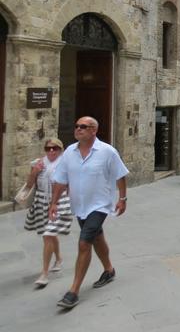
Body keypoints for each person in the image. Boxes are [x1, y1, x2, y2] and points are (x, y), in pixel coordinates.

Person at [49, 116, 129, 309]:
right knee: (96, 237)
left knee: (84, 243)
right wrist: (54, 203)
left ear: (94, 130)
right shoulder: (69, 152)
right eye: (76, 126)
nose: (78, 129)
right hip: (80, 206)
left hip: (99, 205)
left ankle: (73, 291)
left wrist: (122, 199)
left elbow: (120, 175)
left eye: (83, 127)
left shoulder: (107, 152)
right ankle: (109, 270)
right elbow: (61, 179)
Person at [24, 138, 72, 287]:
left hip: (59, 202)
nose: (51, 151)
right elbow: (29, 184)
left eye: (55, 148)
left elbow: (70, 184)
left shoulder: (66, 164)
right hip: (41, 200)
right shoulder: (38, 163)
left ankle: (44, 274)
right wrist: (35, 172)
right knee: (50, 235)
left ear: (60, 149)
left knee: (48, 235)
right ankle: (58, 259)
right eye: (48, 148)